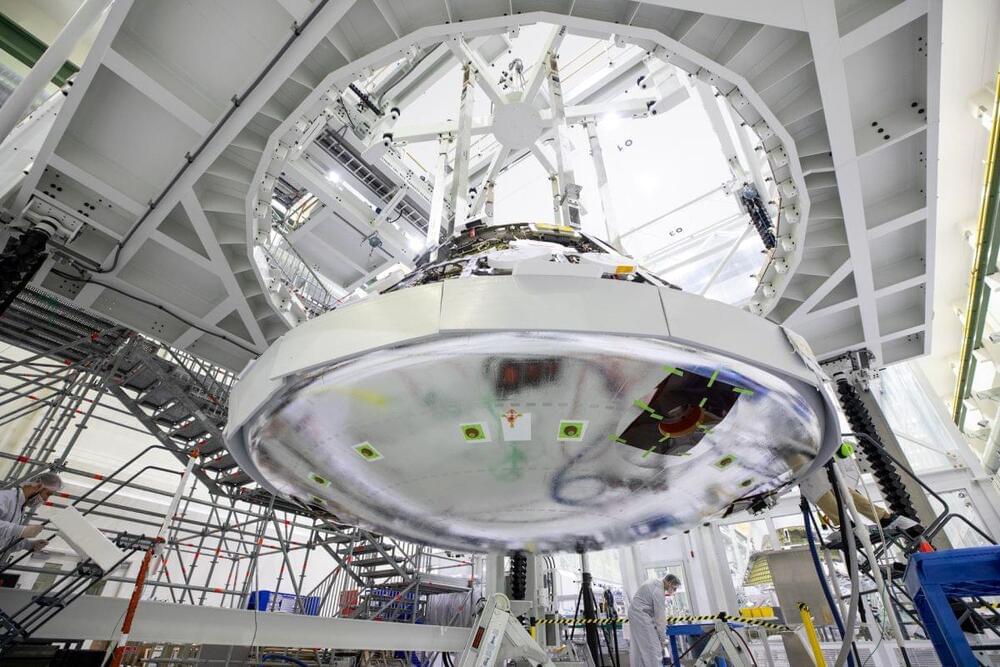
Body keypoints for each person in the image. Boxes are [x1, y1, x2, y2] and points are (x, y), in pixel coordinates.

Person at [0, 472, 62, 555]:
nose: (46, 499)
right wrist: (21, 530)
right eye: (48, 494)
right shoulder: (5, 498)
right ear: (38, 486)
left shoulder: (20, 507)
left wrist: (28, 545)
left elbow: (5, 539)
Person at [628, 573, 681, 667]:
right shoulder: (658, 591)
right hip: (640, 616)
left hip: (637, 614)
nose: (674, 591)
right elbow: (660, 618)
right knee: (654, 649)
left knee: (640, 648)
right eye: (674, 588)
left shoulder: (655, 583)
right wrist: (663, 638)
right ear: (669, 583)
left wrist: (660, 632)